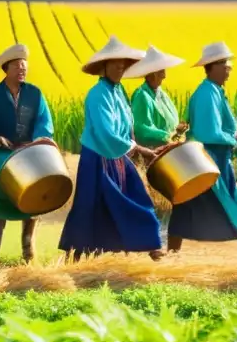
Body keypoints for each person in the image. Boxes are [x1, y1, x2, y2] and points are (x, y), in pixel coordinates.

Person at [168, 42, 237, 261]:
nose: (229, 68)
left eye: (228, 64)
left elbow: (232, 128)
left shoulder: (216, 92)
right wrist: (235, 141)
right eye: (225, 64)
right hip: (206, 159)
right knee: (216, 203)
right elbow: (209, 132)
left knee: (191, 205)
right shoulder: (206, 94)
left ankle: (173, 254)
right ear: (212, 66)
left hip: (215, 158)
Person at [58, 36, 164, 261]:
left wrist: (135, 145)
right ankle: (75, 256)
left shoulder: (118, 92)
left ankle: (150, 243)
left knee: (136, 198)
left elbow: (127, 126)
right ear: (103, 67)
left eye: (123, 63)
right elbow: (106, 133)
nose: (120, 67)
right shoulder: (98, 94)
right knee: (90, 208)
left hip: (117, 157)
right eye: (115, 63)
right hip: (97, 158)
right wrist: (137, 148)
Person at [0, 43, 54, 265]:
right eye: (17, 66)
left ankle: (28, 249)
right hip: (2, 157)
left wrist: (38, 140)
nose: (22, 70)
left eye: (24, 66)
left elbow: (45, 123)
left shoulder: (35, 94)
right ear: (6, 69)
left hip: (30, 156)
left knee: (33, 199)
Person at [125, 45, 189, 244]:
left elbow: (171, 122)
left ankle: (167, 241)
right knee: (156, 201)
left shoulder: (163, 95)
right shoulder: (142, 96)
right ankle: (154, 241)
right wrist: (167, 134)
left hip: (167, 154)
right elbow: (142, 128)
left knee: (172, 200)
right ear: (151, 73)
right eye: (161, 70)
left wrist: (178, 130)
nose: (164, 75)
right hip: (149, 156)